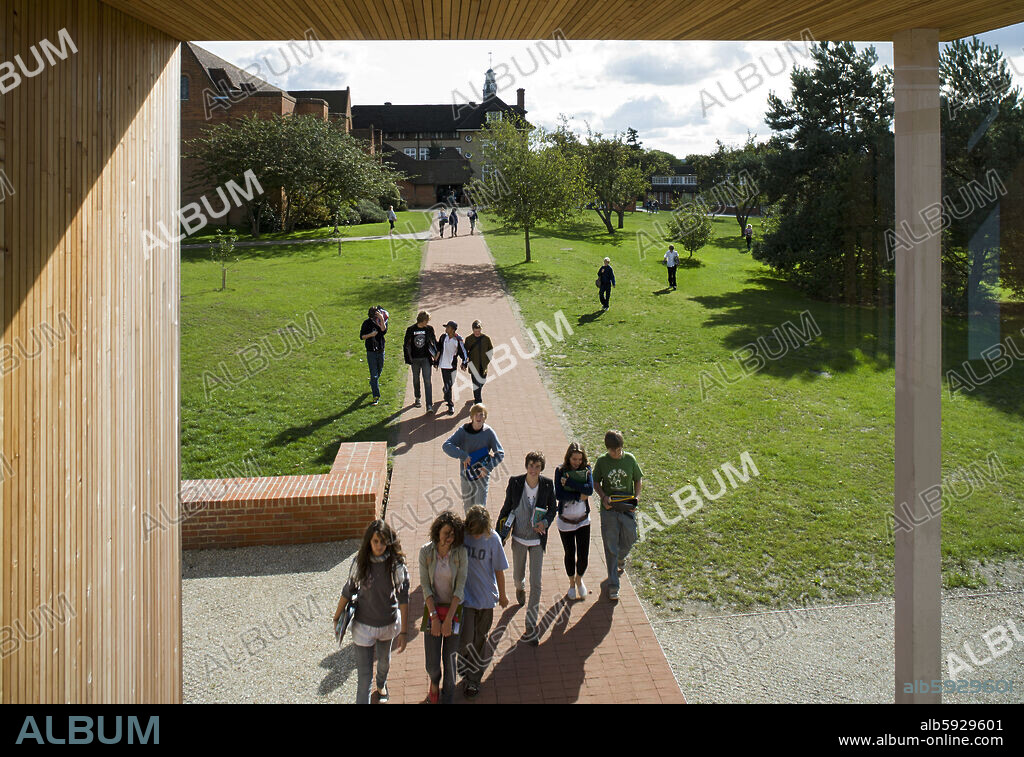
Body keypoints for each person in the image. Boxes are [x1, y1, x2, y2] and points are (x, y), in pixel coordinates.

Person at [334, 520, 410, 704]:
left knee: (384, 662)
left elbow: (403, 599)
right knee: (364, 678)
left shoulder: (396, 565)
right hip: (363, 627)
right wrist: (337, 616)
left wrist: (405, 631)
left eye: (383, 542)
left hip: (388, 624)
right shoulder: (360, 563)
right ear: (369, 541)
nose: (379, 546)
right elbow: (348, 590)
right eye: (375, 541)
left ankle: (382, 684)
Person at [497, 451, 556, 644]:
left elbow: (553, 509)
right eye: (531, 465)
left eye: (537, 466)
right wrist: (500, 535)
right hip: (519, 538)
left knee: (536, 583)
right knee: (517, 575)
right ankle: (519, 587)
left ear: (541, 468)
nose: (533, 469)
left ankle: (531, 625)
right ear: (526, 466)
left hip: (537, 540)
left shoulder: (547, 484)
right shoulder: (515, 483)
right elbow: (506, 508)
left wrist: (545, 523)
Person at [457, 505, 509, 698]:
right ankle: (463, 663)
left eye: (480, 533)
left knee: (480, 639)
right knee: (466, 638)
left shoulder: (493, 539)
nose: (476, 536)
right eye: (474, 532)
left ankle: (473, 680)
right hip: (466, 599)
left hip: (486, 599)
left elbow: (499, 570)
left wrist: (502, 596)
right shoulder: (463, 535)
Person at [419, 510, 468, 704]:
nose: (450, 538)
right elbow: (425, 586)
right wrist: (434, 617)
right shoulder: (426, 552)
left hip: (454, 610)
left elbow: (460, 587)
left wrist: (448, 620)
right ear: (438, 531)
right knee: (432, 663)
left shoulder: (461, 552)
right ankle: (434, 681)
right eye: (446, 533)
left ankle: (447, 698)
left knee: (450, 661)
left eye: (454, 534)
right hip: (432, 609)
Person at [592, 430, 643, 601]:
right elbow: (595, 482)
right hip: (610, 509)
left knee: (631, 536)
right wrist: (603, 497)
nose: (617, 453)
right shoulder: (602, 462)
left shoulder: (629, 459)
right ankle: (613, 585)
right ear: (608, 449)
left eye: (620, 449)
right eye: (614, 450)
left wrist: (636, 498)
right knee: (610, 546)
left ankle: (621, 558)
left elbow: (638, 479)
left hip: (627, 507)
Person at [442, 403, 504, 510]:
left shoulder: (488, 432)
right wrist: (463, 455)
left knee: (479, 510)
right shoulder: (463, 431)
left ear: (485, 417)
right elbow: (446, 446)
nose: (479, 417)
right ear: (471, 416)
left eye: (481, 415)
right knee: (468, 508)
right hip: (466, 475)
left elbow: (500, 454)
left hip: (481, 476)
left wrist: (487, 468)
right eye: (476, 414)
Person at [554, 442, 594, 600]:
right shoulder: (560, 471)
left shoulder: (587, 470)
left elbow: (589, 490)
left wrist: (570, 483)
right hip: (565, 521)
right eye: (574, 459)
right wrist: (579, 494)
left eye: (579, 459)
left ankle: (579, 579)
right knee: (570, 553)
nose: (577, 462)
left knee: (583, 555)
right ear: (568, 458)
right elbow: (559, 495)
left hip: (583, 520)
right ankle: (571, 583)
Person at [404, 310, 437, 411]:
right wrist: (408, 358)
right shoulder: (411, 329)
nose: (427, 323)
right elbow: (406, 345)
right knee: (416, 379)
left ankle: (429, 405)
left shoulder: (429, 329)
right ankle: (417, 398)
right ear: (422, 320)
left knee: (427, 381)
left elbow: (434, 342)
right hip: (415, 359)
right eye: (426, 321)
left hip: (426, 359)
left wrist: (436, 355)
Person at [436, 320, 469, 415]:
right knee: (448, 384)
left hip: (452, 366)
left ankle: (445, 391)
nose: (446, 329)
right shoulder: (443, 337)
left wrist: (464, 362)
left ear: (453, 330)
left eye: (448, 327)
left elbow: (464, 352)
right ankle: (450, 405)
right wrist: (436, 361)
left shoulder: (458, 340)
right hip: (444, 365)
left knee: (451, 383)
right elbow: (439, 349)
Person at [360, 305, 388, 406]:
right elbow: (362, 336)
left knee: (379, 370)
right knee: (374, 375)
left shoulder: (381, 321)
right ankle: (376, 396)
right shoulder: (366, 323)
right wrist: (371, 335)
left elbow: (384, 331)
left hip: (380, 350)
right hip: (371, 352)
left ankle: (373, 383)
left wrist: (381, 319)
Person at [463, 320, 493, 404]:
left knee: (482, 381)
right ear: (472, 330)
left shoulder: (486, 339)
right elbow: (465, 352)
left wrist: (487, 360)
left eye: (479, 331)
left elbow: (490, 350)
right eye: (475, 331)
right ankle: (478, 400)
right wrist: (465, 363)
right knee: (476, 384)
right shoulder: (469, 339)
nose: (477, 333)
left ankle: (477, 395)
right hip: (473, 364)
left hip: (483, 365)